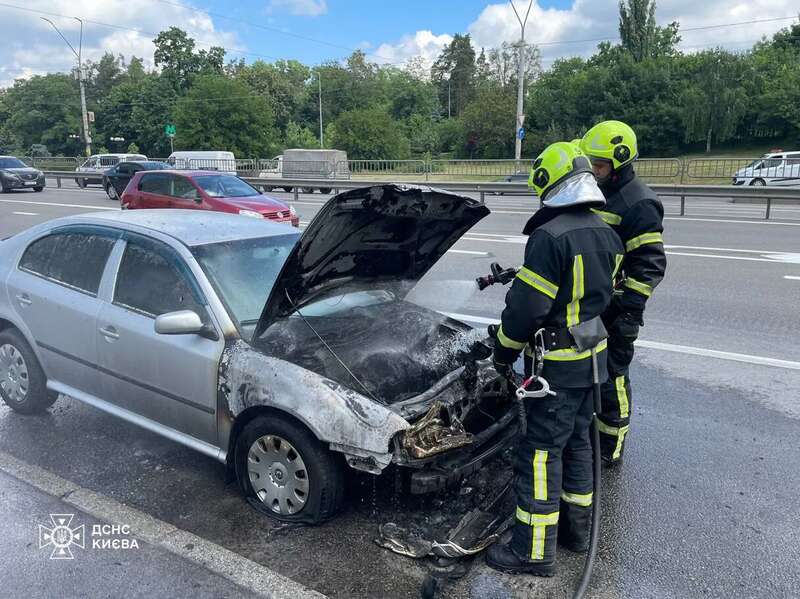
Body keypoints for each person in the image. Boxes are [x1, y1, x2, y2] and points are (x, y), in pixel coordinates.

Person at [486, 142, 624, 576]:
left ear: (548, 182)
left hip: (557, 368)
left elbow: (527, 310)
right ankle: (576, 533)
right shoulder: (607, 231)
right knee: (579, 442)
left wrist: (502, 351)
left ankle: (533, 550)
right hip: (593, 360)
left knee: (542, 454)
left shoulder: (550, 236)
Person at [579, 121, 667, 466]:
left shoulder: (639, 203)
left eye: (599, 165)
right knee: (588, 370)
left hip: (617, 311)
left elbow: (650, 264)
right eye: (591, 164)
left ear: (620, 163)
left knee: (613, 377)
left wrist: (629, 311)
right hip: (590, 307)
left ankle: (611, 446)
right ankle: (588, 433)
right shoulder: (597, 190)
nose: (594, 171)